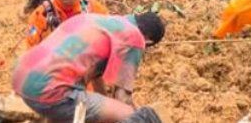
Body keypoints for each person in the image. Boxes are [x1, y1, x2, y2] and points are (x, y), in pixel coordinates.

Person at [12, 12, 166, 123]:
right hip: (48, 91)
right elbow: (122, 99)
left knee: (81, 110)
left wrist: (105, 109)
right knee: (132, 115)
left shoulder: (103, 22)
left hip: (21, 80)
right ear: (148, 41)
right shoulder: (134, 38)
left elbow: (97, 77)